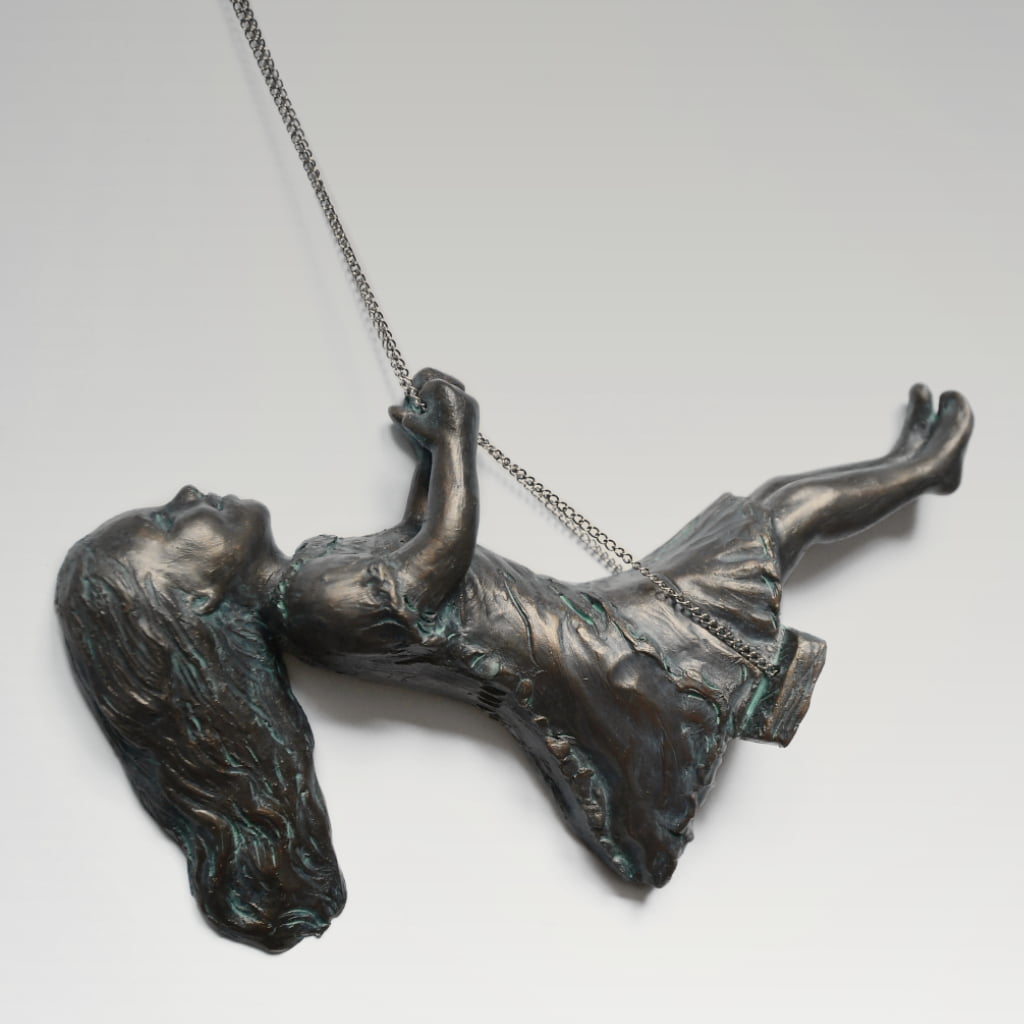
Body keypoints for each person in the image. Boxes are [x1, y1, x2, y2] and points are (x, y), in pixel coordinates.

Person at [56, 369, 973, 951]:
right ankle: (925, 468)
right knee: (772, 517)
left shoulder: (312, 582)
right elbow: (437, 560)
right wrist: (457, 434)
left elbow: (418, 556)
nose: (187, 495)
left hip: (587, 621)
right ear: (197, 599)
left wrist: (430, 460)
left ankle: (918, 463)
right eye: (171, 524)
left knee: (772, 512)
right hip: (598, 652)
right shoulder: (314, 602)